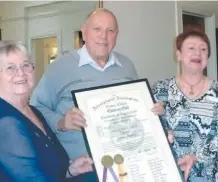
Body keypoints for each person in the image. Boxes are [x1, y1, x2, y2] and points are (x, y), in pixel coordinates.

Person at [30, 8, 164, 160]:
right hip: (80, 168)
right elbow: (35, 108)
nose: (104, 36)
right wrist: (60, 122)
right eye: (97, 29)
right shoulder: (59, 68)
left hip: (125, 161)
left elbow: (136, 109)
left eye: (110, 30)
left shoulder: (127, 65)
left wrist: (151, 110)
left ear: (116, 35)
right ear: (84, 32)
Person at [0, 40, 97, 182]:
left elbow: (45, 165)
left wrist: (71, 169)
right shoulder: (5, 125)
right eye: (10, 68)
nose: (21, 73)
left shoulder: (31, 111)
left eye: (26, 65)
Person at [152, 30, 218, 182]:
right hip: (170, 172)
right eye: (191, 48)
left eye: (203, 49)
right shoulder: (160, 89)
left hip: (211, 175)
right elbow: (151, 129)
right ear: (178, 55)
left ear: (207, 57)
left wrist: (196, 158)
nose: (198, 53)